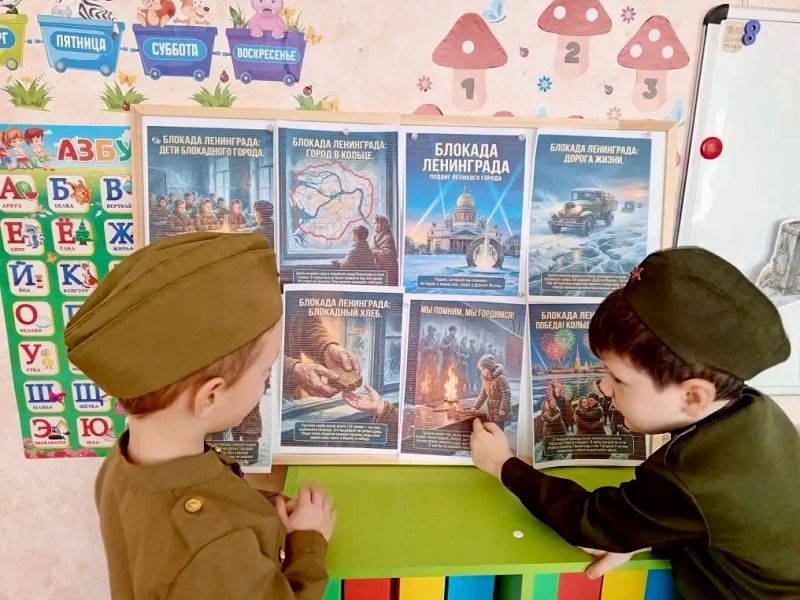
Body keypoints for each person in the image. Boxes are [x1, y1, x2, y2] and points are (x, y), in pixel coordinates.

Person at [470, 247, 800, 597]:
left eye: (618, 378)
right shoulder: (755, 409)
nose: (604, 388)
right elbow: (719, 520)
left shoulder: (687, 478)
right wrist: (643, 530)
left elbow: (588, 520)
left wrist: (504, 466)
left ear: (693, 397)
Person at [64, 232, 334, 599]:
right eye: (265, 373)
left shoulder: (123, 464)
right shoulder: (212, 548)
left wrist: (261, 517)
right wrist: (308, 543)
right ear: (210, 397)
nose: (267, 383)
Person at [470, 354, 512, 429]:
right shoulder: (485, 380)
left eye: (483, 369)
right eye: (481, 370)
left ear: (489, 368)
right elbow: (483, 394)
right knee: (493, 431)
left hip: (500, 412)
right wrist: (475, 406)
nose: (482, 372)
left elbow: (506, 394)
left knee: (498, 431)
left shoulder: (500, 378)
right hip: (491, 412)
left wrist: (503, 409)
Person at [370, 214, 399, 286]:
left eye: (375, 223)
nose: (373, 225)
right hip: (376, 271)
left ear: (382, 224)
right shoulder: (374, 236)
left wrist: (372, 252)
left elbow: (389, 255)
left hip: (387, 272)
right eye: (373, 223)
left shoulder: (388, 237)